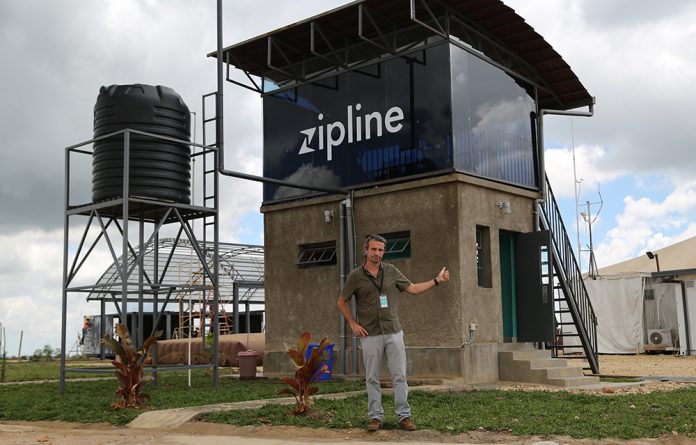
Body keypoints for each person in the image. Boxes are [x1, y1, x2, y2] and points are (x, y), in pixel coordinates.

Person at [337, 234, 450, 432]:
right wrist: (353, 324)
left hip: (393, 332)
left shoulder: (391, 271)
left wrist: (437, 280)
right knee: (372, 377)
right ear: (366, 251)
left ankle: (404, 417)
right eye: (373, 249)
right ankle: (375, 417)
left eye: (380, 250)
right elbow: (341, 301)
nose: (377, 253)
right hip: (369, 334)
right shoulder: (355, 276)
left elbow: (413, 289)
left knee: (400, 376)